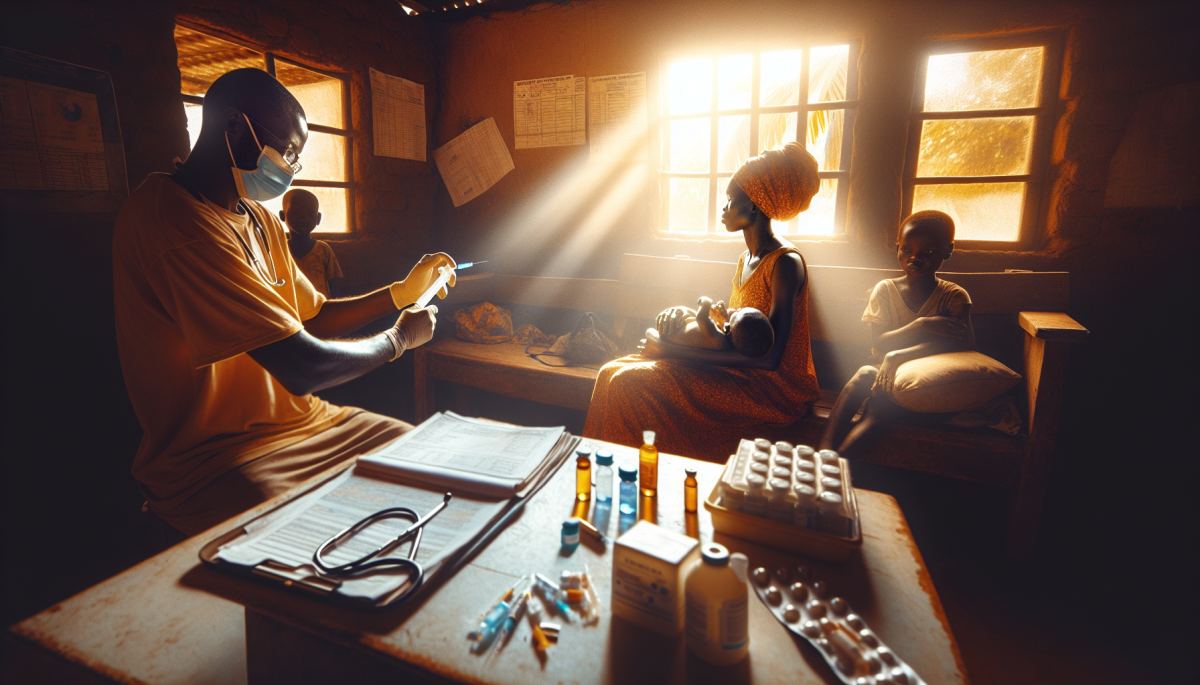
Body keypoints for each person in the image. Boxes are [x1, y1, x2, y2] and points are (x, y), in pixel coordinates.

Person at [113, 68, 456, 535]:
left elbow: (314, 317)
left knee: (424, 463)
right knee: (310, 529)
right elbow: (301, 366)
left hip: (310, 423)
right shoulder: (174, 223)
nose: (293, 168)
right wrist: (397, 340)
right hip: (215, 456)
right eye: (289, 150)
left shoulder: (258, 217)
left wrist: (400, 293)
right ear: (235, 129)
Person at [584, 142, 821, 461]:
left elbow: (770, 359)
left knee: (630, 384)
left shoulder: (785, 263)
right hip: (736, 372)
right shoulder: (745, 260)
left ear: (753, 205)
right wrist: (684, 324)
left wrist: (672, 351)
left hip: (771, 390)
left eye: (730, 200)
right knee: (610, 371)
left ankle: (636, 470)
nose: (723, 208)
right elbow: (731, 329)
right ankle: (597, 465)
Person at [818, 210, 974, 455]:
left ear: (948, 251)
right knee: (866, 374)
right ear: (897, 248)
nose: (914, 258)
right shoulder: (886, 290)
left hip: (924, 384)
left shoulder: (953, 297)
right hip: (884, 375)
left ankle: (834, 465)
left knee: (880, 409)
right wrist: (921, 325)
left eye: (928, 253)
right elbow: (879, 343)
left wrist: (899, 355)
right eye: (907, 250)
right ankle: (824, 452)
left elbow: (961, 344)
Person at [655, 296, 774, 358]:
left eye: (737, 312)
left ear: (730, 330)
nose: (736, 309)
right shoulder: (725, 341)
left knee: (688, 315)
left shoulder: (718, 340)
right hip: (678, 327)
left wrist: (706, 302)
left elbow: (701, 318)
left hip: (669, 330)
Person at [281, 188, 342, 296]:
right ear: (282, 215)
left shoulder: (323, 250)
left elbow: (336, 284)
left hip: (321, 308)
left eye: (309, 213)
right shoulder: (279, 249)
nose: (303, 218)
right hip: (290, 309)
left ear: (318, 218)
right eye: (296, 213)